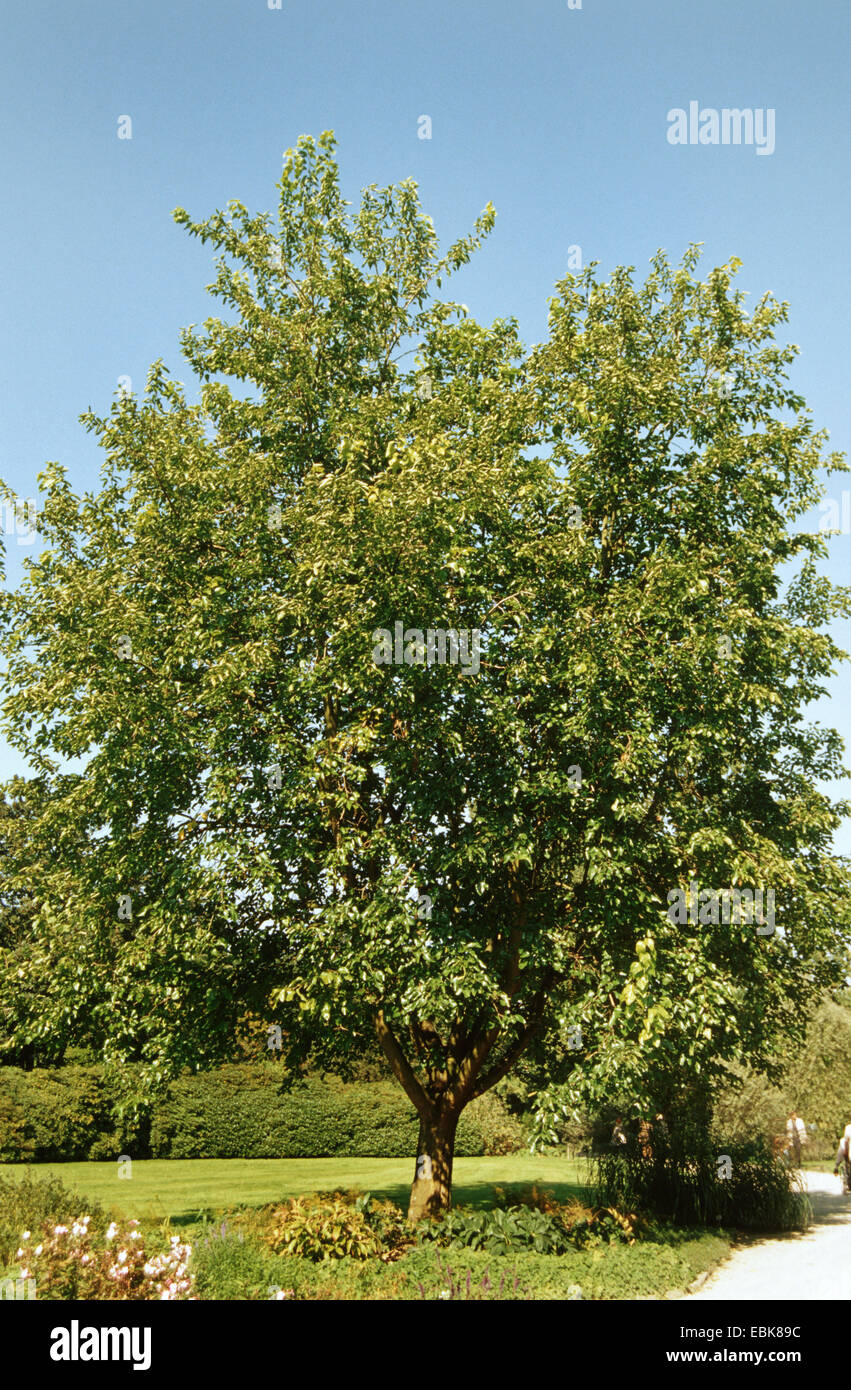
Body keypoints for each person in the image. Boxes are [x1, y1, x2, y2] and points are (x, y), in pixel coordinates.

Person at [833, 1121, 851, 1191]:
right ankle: (836, 1167)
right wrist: (846, 1151)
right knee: (848, 1166)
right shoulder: (849, 1128)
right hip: (848, 1151)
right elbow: (846, 1141)